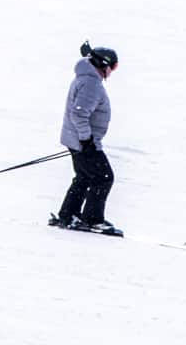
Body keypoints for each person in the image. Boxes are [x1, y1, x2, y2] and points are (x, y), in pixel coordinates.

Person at [51, 41, 120, 235]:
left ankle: (68, 215)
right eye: (113, 67)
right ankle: (92, 219)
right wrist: (86, 141)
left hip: (77, 139)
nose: (112, 72)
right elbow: (79, 113)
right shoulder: (91, 83)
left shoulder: (86, 78)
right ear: (104, 64)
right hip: (83, 141)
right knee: (103, 178)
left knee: (84, 177)